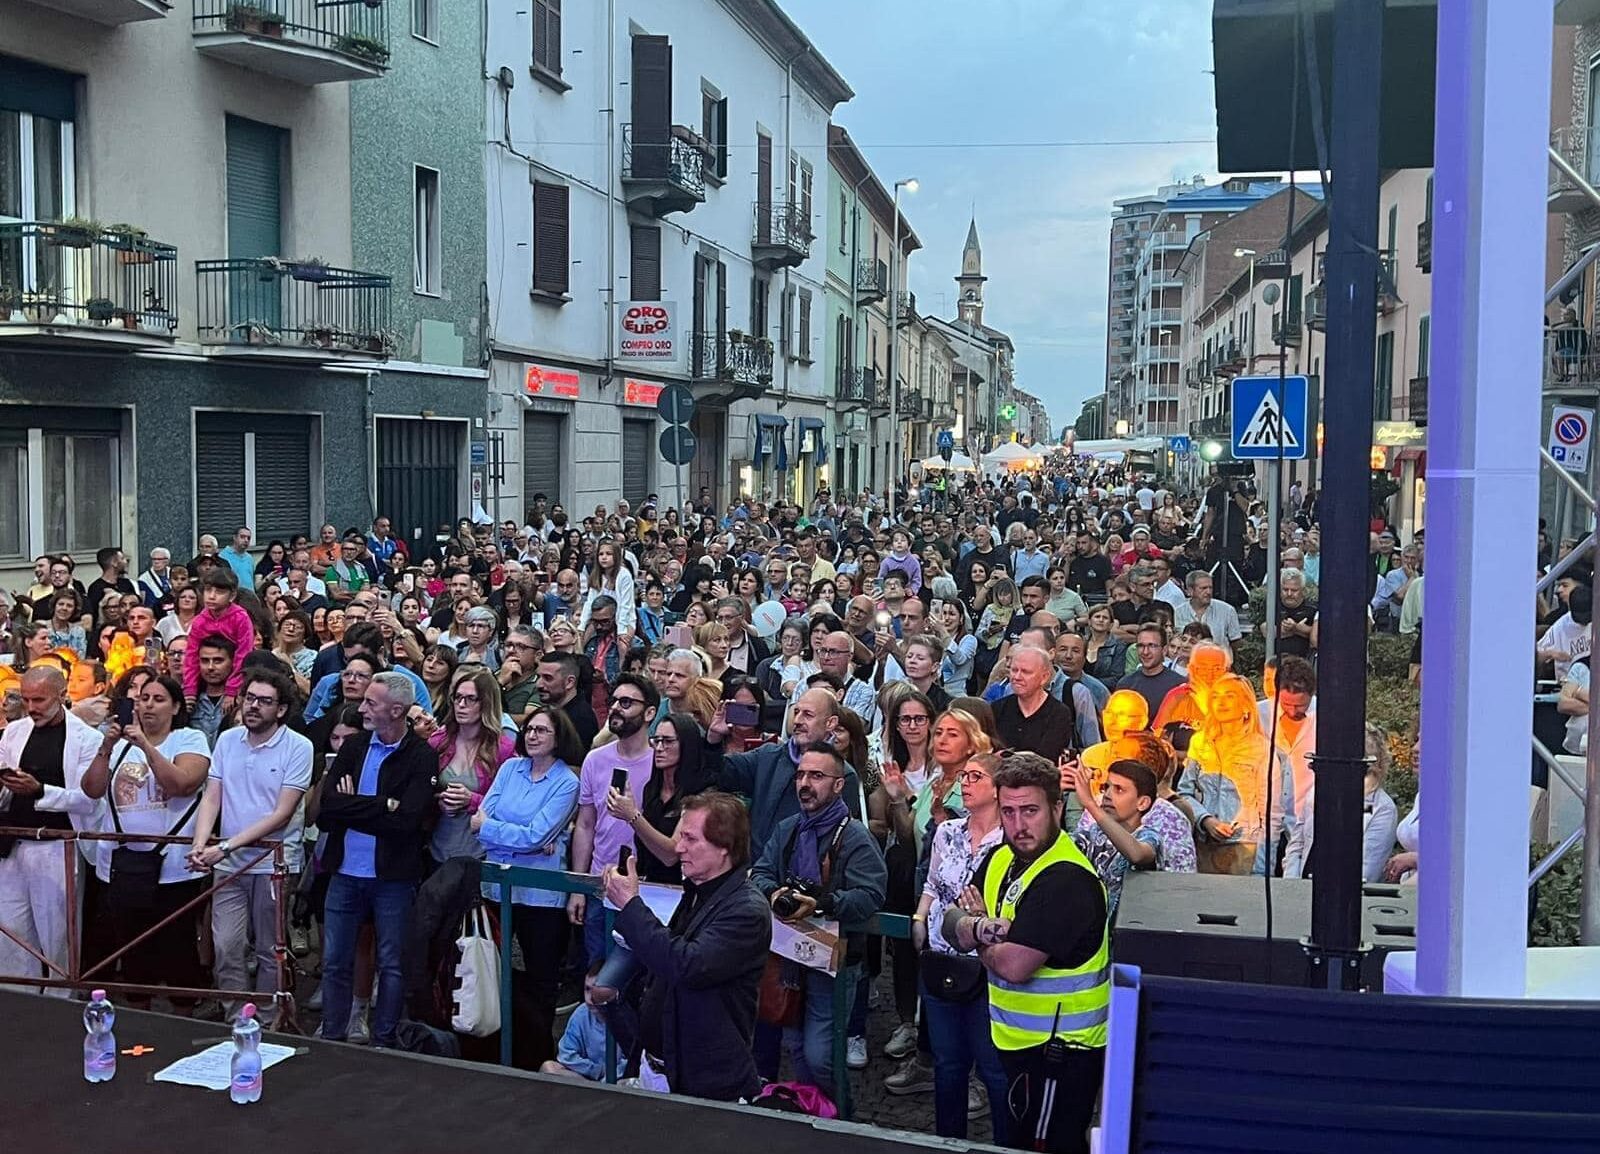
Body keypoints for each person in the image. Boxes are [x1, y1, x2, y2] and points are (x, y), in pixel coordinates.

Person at [944, 752, 1109, 1154]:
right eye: (1009, 811)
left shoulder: (1066, 879)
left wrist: (977, 935)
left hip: (1062, 1053)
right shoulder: (1002, 856)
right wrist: (982, 928)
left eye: (1031, 811)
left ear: (1056, 808)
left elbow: (1016, 966)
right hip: (1017, 1045)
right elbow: (948, 919)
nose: (1018, 825)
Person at [603, 791, 771, 1100]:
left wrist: (630, 906)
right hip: (660, 1068)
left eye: (691, 839)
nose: (678, 847)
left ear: (724, 848)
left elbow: (686, 965)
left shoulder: (746, 911)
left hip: (705, 1084)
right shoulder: (698, 890)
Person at [750, 742, 888, 1101]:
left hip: (835, 962)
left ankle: (840, 1121)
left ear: (839, 785)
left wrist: (823, 904)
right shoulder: (788, 828)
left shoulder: (855, 836)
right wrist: (776, 894)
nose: (804, 783)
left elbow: (871, 895)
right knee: (797, 1050)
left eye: (816, 775)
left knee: (820, 1054)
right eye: (800, 775)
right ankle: (815, 1117)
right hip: (790, 957)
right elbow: (761, 871)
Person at [315, 672, 438, 1046]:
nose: (361, 708)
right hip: (344, 871)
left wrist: (357, 807)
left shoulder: (421, 756)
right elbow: (328, 809)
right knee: (335, 961)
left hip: (393, 878)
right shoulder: (353, 748)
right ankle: (332, 1033)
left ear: (396, 710)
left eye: (371, 702)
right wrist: (381, 805)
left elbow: (407, 822)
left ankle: (383, 1039)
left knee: (392, 964)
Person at [187, 669, 313, 1017]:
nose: (253, 706)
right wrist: (200, 844)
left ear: (282, 709)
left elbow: (282, 814)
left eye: (265, 701)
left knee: (270, 949)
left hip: (274, 863)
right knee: (226, 945)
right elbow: (212, 796)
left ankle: (269, 1018)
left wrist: (224, 847)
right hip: (227, 861)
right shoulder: (228, 740)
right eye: (249, 698)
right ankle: (235, 1016)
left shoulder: (299, 747)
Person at [80, 673, 211, 995]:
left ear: (176, 706)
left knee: (177, 949)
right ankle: (139, 1014)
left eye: (158, 699)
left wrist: (145, 745)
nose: (149, 705)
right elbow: (91, 790)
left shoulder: (189, 739)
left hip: (173, 869)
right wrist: (107, 747)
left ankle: (182, 1014)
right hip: (121, 865)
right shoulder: (120, 743)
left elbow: (181, 785)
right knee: (133, 951)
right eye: (144, 698)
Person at [475, 706, 584, 1068]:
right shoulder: (509, 768)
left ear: (559, 738)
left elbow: (537, 834)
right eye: (529, 729)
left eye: (542, 730)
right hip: (498, 887)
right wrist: (523, 840)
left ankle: (538, 1055)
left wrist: (499, 832)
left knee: (541, 978)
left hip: (541, 895)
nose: (532, 736)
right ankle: (498, 1048)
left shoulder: (566, 782)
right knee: (495, 970)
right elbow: (481, 817)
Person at [913, 751, 1009, 1142]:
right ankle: (946, 1141)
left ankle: (1009, 1144)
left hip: (987, 964)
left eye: (975, 776)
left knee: (994, 1069)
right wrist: (919, 921)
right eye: (964, 776)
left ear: (999, 789)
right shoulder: (947, 831)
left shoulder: (1011, 841)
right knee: (948, 1064)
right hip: (939, 957)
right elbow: (933, 884)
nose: (965, 783)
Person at [0, 667, 103, 994]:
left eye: (40, 700)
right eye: (27, 699)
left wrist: (40, 790)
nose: (32, 707)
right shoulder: (14, 732)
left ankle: (61, 1005)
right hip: (13, 844)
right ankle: (19, 1003)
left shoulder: (88, 738)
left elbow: (89, 801)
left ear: (62, 696)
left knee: (58, 937)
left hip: (58, 846)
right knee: (11, 934)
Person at [568, 674, 660, 966]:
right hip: (599, 883)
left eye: (626, 702)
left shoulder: (661, 761)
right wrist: (578, 887)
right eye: (613, 701)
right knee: (598, 971)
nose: (616, 708)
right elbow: (585, 825)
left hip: (646, 887)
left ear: (649, 713)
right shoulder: (595, 759)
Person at [708, 687, 864, 851]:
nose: (797, 720)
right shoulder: (768, 756)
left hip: (802, 870)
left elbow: (838, 840)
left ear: (830, 723)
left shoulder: (844, 775)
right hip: (754, 867)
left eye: (808, 715)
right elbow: (721, 774)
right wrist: (713, 740)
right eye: (796, 712)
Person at [429, 669, 512, 866]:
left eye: (470, 699)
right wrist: (436, 799)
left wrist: (472, 800)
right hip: (436, 847)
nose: (461, 705)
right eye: (457, 698)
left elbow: (509, 806)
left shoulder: (503, 749)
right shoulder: (438, 741)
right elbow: (419, 790)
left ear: (486, 703)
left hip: (480, 852)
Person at [181, 567, 254, 712]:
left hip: (236, 678)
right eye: (208, 590)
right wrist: (189, 689)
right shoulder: (199, 621)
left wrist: (232, 689)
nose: (211, 596)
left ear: (232, 596)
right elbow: (191, 656)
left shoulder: (241, 618)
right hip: (207, 676)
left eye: (219, 592)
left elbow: (244, 655)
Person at [541, 961, 627, 1081]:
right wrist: (596, 1071)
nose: (590, 999)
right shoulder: (581, 1013)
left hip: (618, 1080)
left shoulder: (626, 1016)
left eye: (597, 991)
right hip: (586, 1077)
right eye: (587, 989)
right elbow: (566, 1055)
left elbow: (631, 1061)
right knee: (549, 1068)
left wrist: (609, 1077)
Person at [992, 646, 1076, 763]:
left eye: (1026, 672)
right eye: (1014, 670)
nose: (1017, 677)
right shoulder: (997, 708)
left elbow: (1046, 760)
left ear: (1044, 677)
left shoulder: (1059, 713)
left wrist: (1007, 756)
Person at [1117, 623, 1186, 720]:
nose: (1145, 652)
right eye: (1141, 646)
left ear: (1164, 650)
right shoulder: (1125, 685)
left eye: (1152, 646)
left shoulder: (1180, 685)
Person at [1172, 570, 1243, 663]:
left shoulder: (1227, 610)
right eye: (1203, 588)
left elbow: (1236, 643)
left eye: (1210, 588)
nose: (1208, 592)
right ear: (1190, 591)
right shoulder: (1178, 612)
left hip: (1219, 666)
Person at [536, 651, 599, 750]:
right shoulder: (552, 711)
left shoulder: (581, 719)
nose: (539, 684)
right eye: (538, 677)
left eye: (548, 678)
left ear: (569, 682)